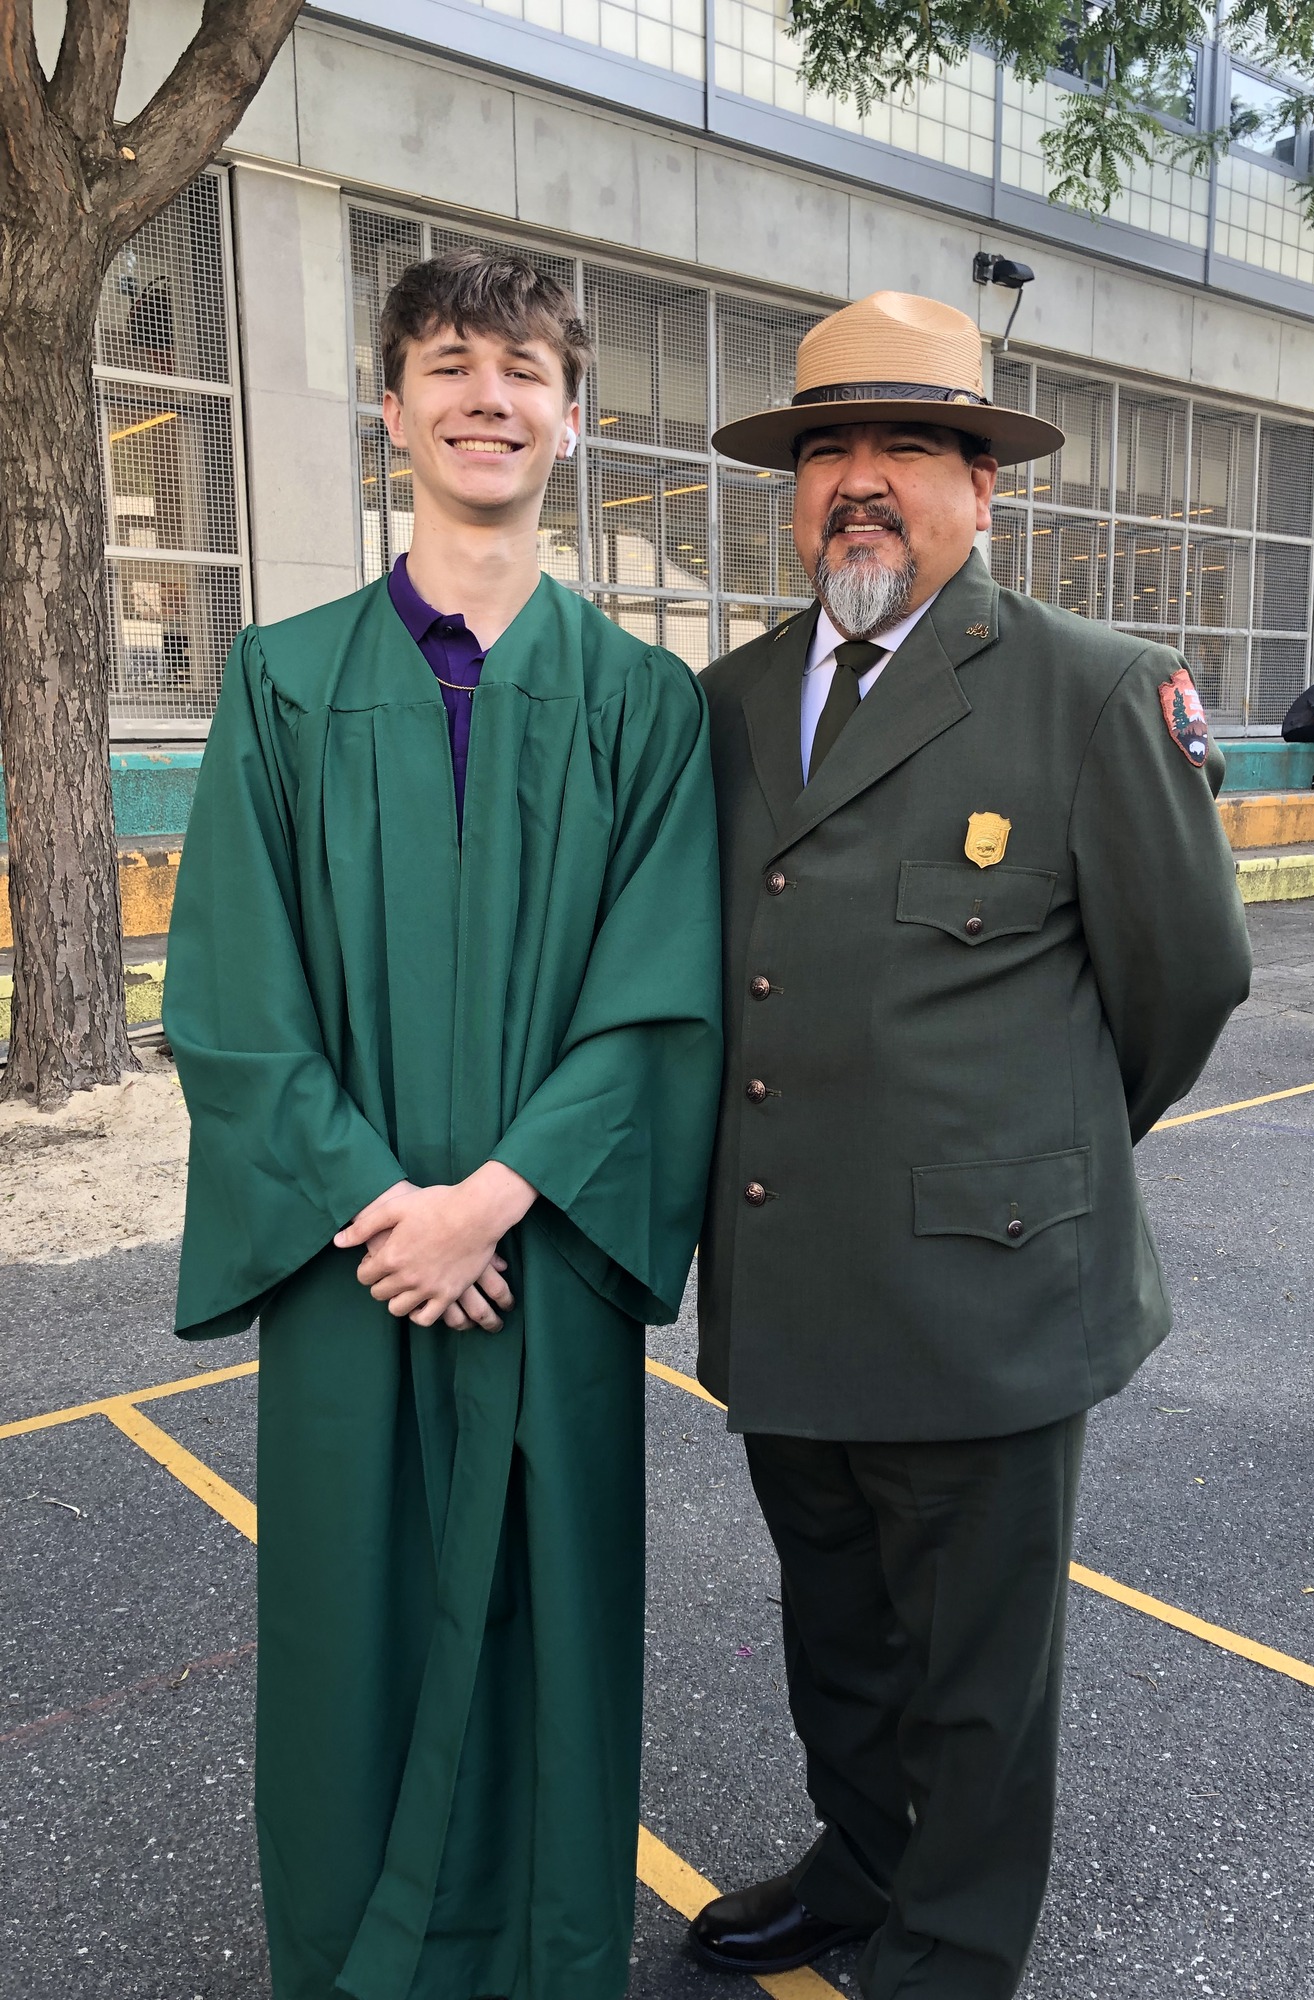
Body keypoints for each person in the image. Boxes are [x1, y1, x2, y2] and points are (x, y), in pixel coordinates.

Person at [164, 249, 722, 2000]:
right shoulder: (278, 682)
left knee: (553, 1620)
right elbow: (236, 1002)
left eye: (527, 369)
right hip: (354, 1265)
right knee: (348, 1629)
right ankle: (348, 1960)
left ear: (576, 416)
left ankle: (552, 1956)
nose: (490, 397)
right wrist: (379, 1206)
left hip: (537, 1250)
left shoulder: (642, 707)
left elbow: (662, 991)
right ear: (391, 408)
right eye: (452, 365)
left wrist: (492, 1198)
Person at [688, 291, 1253, 2000]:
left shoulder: (1085, 694)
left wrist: (1034, 1155)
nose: (863, 481)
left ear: (984, 486)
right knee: (839, 1637)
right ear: (793, 492)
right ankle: (863, 1872)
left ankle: (952, 1943)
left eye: (909, 447)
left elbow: (1187, 982)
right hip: (790, 1277)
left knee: (979, 1668)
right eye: (829, 450)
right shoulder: (729, 699)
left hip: (986, 1293)